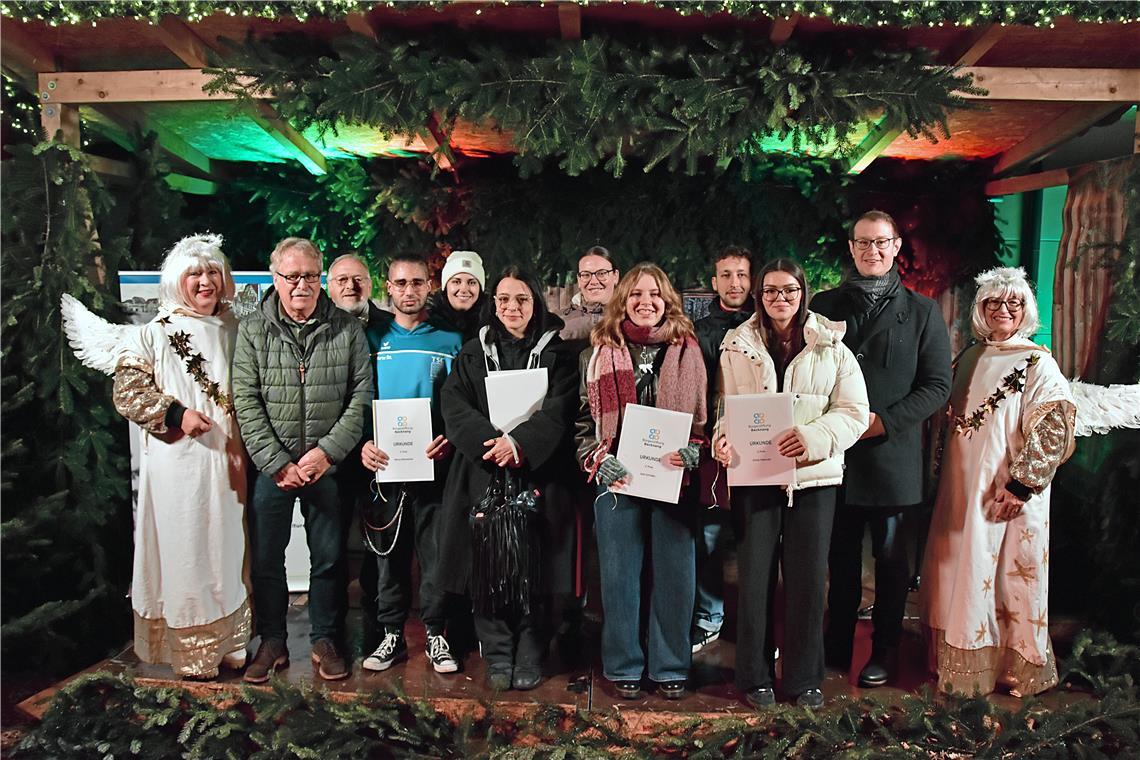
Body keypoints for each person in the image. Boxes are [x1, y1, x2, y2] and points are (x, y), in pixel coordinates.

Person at [713, 258, 868, 709]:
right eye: (770, 291)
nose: (780, 299)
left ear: (802, 294)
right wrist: (723, 439)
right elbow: (725, 404)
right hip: (756, 476)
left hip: (814, 481)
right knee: (755, 579)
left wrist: (813, 438)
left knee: (804, 582)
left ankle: (804, 679)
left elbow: (855, 412)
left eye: (789, 290)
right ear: (759, 296)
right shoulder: (737, 345)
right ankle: (753, 676)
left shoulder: (831, 346)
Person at [920, 267, 1075, 698]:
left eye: (1013, 303)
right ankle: (958, 657)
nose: (1003, 310)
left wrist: (1021, 485)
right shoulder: (970, 356)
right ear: (981, 310)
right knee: (956, 566)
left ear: (1026, 310)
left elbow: (1054, 427)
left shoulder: (1038, 362)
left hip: (1002, 491)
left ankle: (1007, 665)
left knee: (1002, 572)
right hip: (960, 488)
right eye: (993, 303)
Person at [813, 210, 952, 687]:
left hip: (892, 459)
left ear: (895, 248)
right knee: (840, 561)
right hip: (835, 457)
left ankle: (885, 651)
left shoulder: (922, 311)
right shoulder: (823, 304)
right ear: (851, 249)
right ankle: (834, 645)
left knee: (892, 565)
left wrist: (883, 423)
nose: (872, 251)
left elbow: (937, 386)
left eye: (881, 243)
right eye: (863, 243)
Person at [110, 234, 251, 679]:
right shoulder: (153, 334)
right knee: (189, 549)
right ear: (177, 281)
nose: (205, 281)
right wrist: (176, 413)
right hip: (180, 465)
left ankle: (233, 644)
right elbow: (127, 393)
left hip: (231, 463)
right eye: (195, 274)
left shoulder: (237, 328)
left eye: (212, 273)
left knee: (229, 549)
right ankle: (194, 654)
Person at [233, 237, 372, 683]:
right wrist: (276, 462)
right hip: (272, 468)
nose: (301, 285)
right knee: (268, 559)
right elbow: (246, 400)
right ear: (275, 279)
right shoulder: (253, 330)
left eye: (310, 276)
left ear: (321, 278)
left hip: (326, 466)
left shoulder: (347, 330)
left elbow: (360, 397)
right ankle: (271, 640)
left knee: (329, 558)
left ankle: (325, 639)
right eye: (291, 277)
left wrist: (327, 453)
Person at [438, 266, 580, 690]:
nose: (512, 307)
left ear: (535, 302)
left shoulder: (560, 354)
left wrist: (520, 444)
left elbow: (561, 407)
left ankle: (531, 651)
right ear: (493, 303)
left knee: (536, 568)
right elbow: (454, 405)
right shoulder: (472, 353)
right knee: (489, 566)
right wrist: (492, 442)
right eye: (503, 299)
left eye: (521, 299)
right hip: (484, 475)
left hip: (539, 475)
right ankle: (498, 652)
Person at [576, 263, 707, 701]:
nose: (645, 301)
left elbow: (710, 416)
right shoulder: (598, 352)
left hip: (674, 478)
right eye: (635, 295)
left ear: (667, 300)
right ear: (622, 300)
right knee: (618, 578)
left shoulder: (690, 350)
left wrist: (696, 449)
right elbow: (581, 423)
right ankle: (624, 663)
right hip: (616, 480)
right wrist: (597, 458)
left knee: (675, 575)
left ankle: (671, 664)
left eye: (654, 294)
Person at [358, 254, 463, 675]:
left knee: (436, 555)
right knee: (389, 555)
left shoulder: (449, 340)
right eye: (400, 283)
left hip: (433, 465)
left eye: (417, 283)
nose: (408, 291)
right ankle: (391, 635)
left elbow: (463, 403)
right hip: (383, 465)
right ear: (388, 286)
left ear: (428, 286)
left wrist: (452, 440)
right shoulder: (371, 338)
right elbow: (357, 399)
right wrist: (364, 441)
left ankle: (437, 633)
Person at [326, 253, 393, 650]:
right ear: (329, 286)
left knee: (377, 545)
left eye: (358, 279)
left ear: (371, 283)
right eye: (341, 280)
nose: (350, 287)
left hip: (379, 449)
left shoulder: (389, 328)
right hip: (332, 451)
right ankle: (330, 632)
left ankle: (377, 625)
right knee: (331, 545)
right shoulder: (318, 326)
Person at [691, 245, 753, 653]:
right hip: (713, 449)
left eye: (742, 275)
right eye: (726, 275)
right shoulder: (699, 332)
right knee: (709, 537)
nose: (735, 283)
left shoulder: (765, 325)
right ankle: (709, 617)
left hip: (759, 448)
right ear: (714, 283)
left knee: (755, 537)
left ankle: (754, 624)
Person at [560, 245, 620, 349]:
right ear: (579, 280)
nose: (593, 281)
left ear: (615, 276)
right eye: (586, 275)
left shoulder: (629, 315)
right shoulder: (560, 320)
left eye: (601, 273)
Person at [427, 250, 486, 343]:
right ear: (445, 287)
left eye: (472, 282)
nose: (464, 289)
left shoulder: (493, 329)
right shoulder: (427, 326)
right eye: (456, 282)